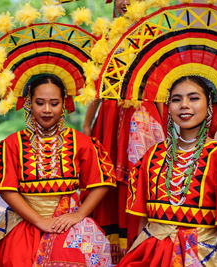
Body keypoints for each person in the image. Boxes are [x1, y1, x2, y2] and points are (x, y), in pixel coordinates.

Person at [0, 74, 116, 267]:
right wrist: (38, 220)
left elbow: (101, 182)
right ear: (29, 104)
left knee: (81, 255)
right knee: (19, 259)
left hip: (66, 221)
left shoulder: (81, 143)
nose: (47, 110)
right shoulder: (13, 145)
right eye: (40, 103)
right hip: (25, 221)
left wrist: (78, 215)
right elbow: (7, 189)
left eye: (54, 103)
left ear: (64, 104)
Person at [118, 75, 217, 266]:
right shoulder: (153, 156)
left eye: (194, 98)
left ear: (209, 104)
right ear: (168, 106)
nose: (184, 105)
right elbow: (144, 223)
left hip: (203, 258)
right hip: (151, 256)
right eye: (176, 99)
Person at [83, 0, 166, 262]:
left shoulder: (154, 35)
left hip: (143, 115)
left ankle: (136, 239)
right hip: (109, 115)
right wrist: (87, 124)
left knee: (140, 175)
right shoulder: (104, 37)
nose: (127, 1)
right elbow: (95, 84)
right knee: (107, 177)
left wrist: (165, 124)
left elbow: (162, 85)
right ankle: (109, 241)